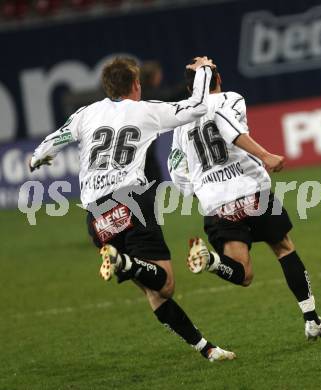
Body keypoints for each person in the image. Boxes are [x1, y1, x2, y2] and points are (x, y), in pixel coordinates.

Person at [29, 56, 235, 361]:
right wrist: (203, 71)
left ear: (107, 86)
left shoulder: (85, 114)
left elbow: (53, 141)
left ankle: (206, 349)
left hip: (97, 214)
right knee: (164, 283)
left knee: (152, 292)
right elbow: (198, 106)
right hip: (131, 201)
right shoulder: (145, 111)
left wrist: (37, 158)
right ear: (136, 85)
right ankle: (124, 262)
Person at [168, 58, 321, 341]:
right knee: (284, 249)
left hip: (216, 202)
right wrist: (266, 156)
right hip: (250, 189)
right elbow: (232, 133)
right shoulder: (231, 99)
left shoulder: (181, 122)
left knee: (243, 274)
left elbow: (176, 169)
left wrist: (201, 189)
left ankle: (212, 262)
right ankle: (311, 318)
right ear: (218, 79)